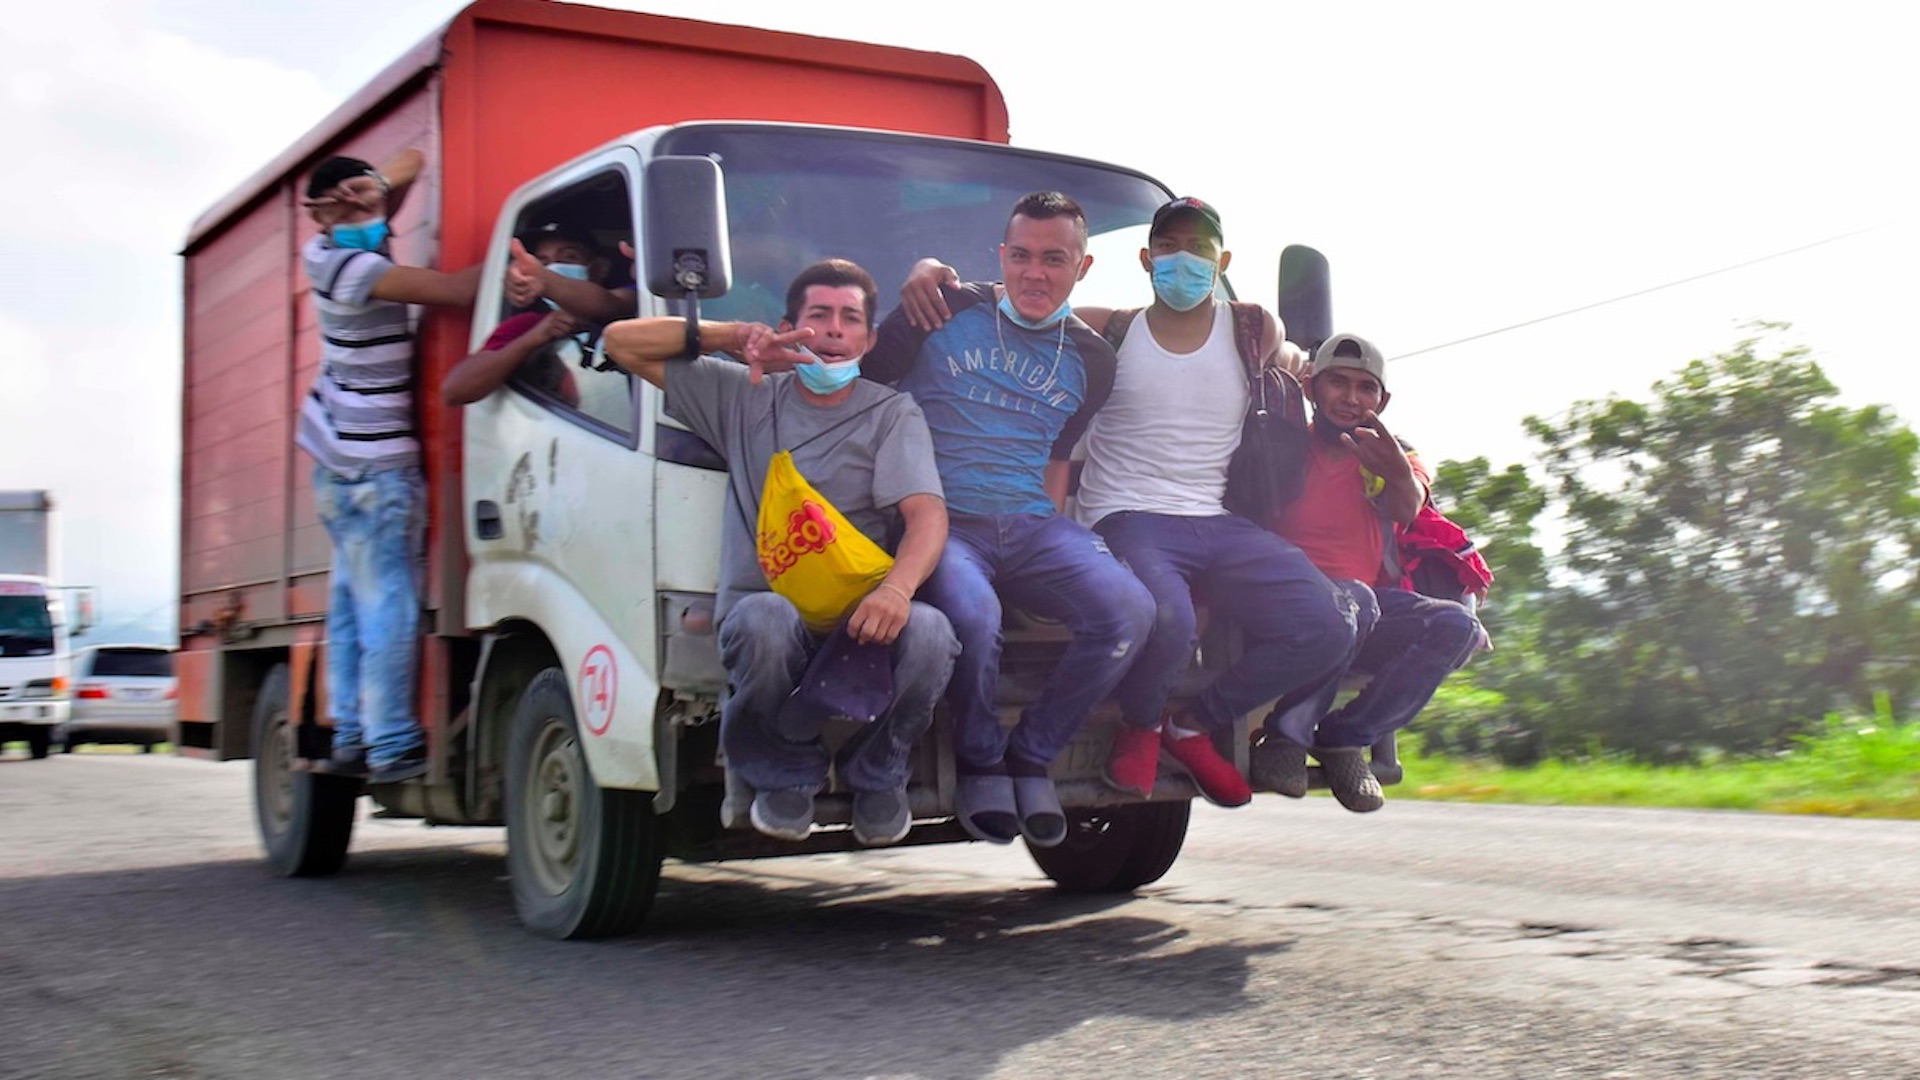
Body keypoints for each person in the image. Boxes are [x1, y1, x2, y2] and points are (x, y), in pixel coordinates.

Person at [599, 259, 958, 846]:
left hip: (859, 619)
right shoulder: (744, 397)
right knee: (764, 620)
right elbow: (620, 344)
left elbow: (927, 516)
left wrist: (896, 590)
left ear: (869, 340)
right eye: (820, 316)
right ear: (791, 326)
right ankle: (785, 771)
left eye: (850, 319)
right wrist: (731, 336)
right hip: (770, 610)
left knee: (934, 632)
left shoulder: (891, 412)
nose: (835, 330)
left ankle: (880, 768)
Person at [863, 191, 1155, 849]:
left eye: (1054, 259)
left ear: (1081, 269)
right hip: (942, 520)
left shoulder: (1092, 361)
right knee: (975, 616)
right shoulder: (942, 309)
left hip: (1030, 524)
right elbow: (863, 384)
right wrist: (923, 271)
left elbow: (1057, 458)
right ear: (1002, 256)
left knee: (1129, 611)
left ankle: (1033, 753)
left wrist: (1055, 554)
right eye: (1020, 255)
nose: (1034, 273)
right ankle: (980, 758)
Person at [1063, 197, 1354, 808]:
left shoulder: (1253, 328)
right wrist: (937, 274)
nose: (1183, 262)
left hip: (1217, 519)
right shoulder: (1105, 326)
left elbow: (1294, 363)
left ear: (1222, 260)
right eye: (1169, 248)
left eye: (1200, 250)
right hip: (1126, 514)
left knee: (1327, 623)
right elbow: (1017, 303)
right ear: (1146, 259)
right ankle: (1140, 725)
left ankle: (1192, 725)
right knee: (1168, 617)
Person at [298, 150, 481, 784]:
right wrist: (535, 268)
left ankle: (350, 732)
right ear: (317, 216)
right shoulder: (351, 265)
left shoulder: (330, 246)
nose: (358, 207)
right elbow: (457, 291)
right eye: (339, 203)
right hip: (377, 466)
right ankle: (392, 743)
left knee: (350, 604)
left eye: (363, 196)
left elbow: (410, 162)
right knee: (390, 606)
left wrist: (367, 189)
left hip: (336, 458)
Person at [1257, 333, 1484, 812]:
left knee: (1456, 626)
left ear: (1383, 400)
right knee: (1349, 604)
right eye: (1337, 383)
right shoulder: (1280, 445)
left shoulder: (1393, 453)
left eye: (1366, 388)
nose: (1351, 398)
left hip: (1363, 607)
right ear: (1310, 387)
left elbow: (1406, 506)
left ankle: (1344, 739)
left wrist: (1397, 471)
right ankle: (1284, 741)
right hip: (1278, 604)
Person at [442, 221, 610, 406]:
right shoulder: (529, 325)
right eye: (542, 263)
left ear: (599, 268)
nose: (553, 269)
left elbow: (612, 305)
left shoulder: (628, 307)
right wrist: (537, 336)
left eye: (568, 257)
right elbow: (455, 391)